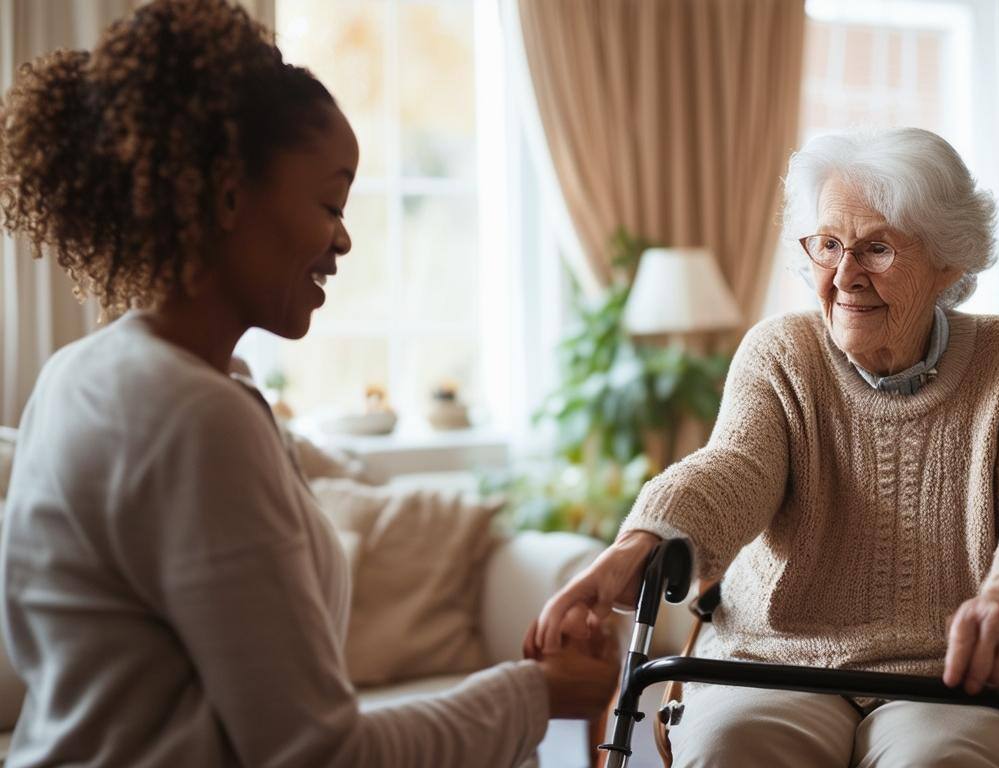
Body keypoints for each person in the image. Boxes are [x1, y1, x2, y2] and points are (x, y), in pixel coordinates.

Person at [0, 1, 614, 765]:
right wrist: (538, 692)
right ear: (228, 194)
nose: (345, 238)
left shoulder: (85, 376)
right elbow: (319, 755)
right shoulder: (188, 414)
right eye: (330, 202)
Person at [528, 127, 999, 766]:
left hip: (967, 673)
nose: (845, 275)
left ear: (950, 259)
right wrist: (637, 542)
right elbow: (731, 471)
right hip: (778, 659)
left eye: (878, 248)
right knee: (730, 747)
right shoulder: (781, 352)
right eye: (828, 245)